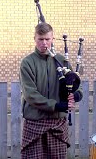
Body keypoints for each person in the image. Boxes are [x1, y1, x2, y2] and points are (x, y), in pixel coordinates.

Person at [20, 22, 83, 158]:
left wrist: (77, 94)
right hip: (34, 123)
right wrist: (56, 105)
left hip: (57, 124)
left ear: (52, 39)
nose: (44, 43)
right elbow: (30, 94)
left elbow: (77, 82)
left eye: (47, 39)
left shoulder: (62, 60)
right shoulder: (27, 63)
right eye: (40, 39)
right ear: (35, 39)